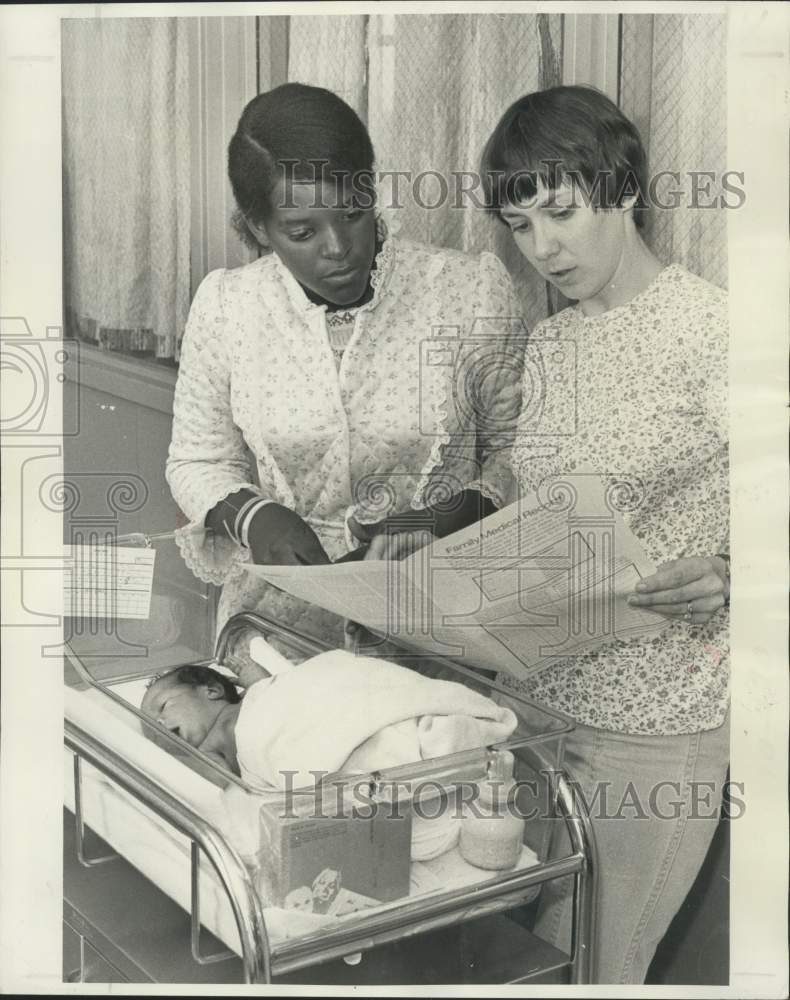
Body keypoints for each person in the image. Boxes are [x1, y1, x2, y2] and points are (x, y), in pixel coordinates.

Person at [480, 85, 730, 984]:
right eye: (520, 224)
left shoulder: (715, 329)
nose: (543, 246)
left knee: (599, 969)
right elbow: (543, 516)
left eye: (560, 210)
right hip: (539, 709)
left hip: (659, 723)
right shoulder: (551, 347)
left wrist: (735, 571)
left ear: (622, 189)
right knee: (522, 960)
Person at [167, 83, 523, 648]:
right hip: (278, 626)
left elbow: (517, 452)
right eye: (302, 232)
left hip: (443, 620)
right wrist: (253, 517)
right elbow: (197, 457)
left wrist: (443, 518)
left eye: (354, 214)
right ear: (259, 228)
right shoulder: (228, 304)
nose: (339, 247)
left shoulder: (469, 288)